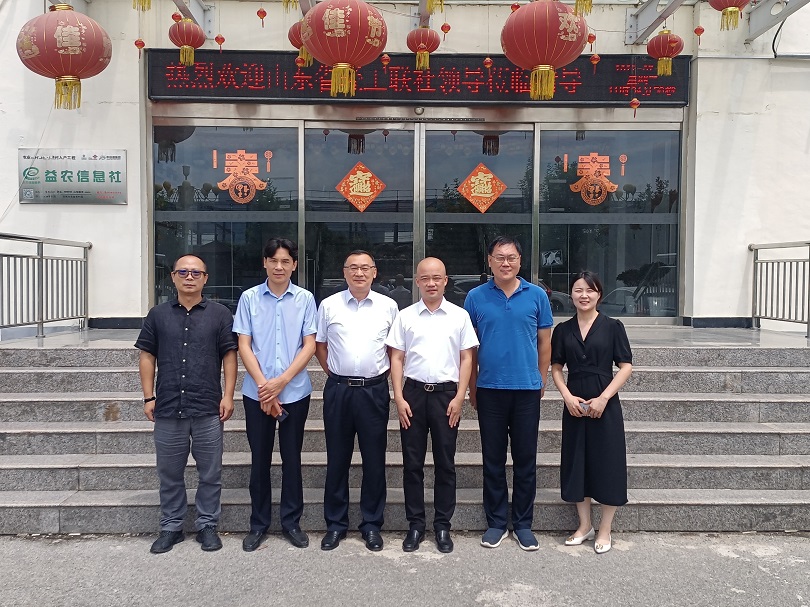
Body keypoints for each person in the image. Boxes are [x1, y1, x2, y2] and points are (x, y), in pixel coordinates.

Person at [135, 254, 237, 554]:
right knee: (169, 473)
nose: (189, 277)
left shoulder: (220, 314)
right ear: (173, 277)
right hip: (168, 405)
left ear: (205, 278)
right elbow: (147, 355)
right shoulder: (158, 314)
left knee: (210, 473)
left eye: (195, 273)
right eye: (183, 272)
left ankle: (207, 525)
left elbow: (229, 355)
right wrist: (148, 396)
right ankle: (171, 526)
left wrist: (228, 395)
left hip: (207, 406)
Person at [463, 236, 553, 551]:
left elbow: (545, 343)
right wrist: (472, 386)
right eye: (499, 257)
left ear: (520, 261)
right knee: (493, 459)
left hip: (526, 389)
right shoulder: (475, 297)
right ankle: (497, 522)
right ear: (489, 261)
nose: (505, 263)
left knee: (526, 459)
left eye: (511, 257)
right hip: (490, 389)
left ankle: (523, 524)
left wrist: (541, 380)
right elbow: (469, 348)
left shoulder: (537, 295)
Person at [386, 257, 479, 553]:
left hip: (446, 396)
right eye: (425, 278)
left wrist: (460, 396)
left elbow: (467, 358)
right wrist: (398, 397)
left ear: (445, 281)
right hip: (412, 394)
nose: (431, 283)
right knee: (412, 464)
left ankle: (442, 526)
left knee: (445, 464)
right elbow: (396, 358)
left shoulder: (459, 316)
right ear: (417, 282)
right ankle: (415, 524)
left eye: (436, 277)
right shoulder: (405, 316)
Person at [233, 238, 317, 552]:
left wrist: (280, 382)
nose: (279, 267)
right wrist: (264, 387)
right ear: (265, 263)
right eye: (273, 261)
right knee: (260, 460)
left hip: (294, 391)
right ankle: (259, 524)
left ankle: (291, 522)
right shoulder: (249, 298)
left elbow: (309, 345)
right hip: (257, 394)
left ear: (294, 265)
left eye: (285, 261)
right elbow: (244, 344)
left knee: (292, 458)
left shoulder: (306, 299)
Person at [315, 250, 399, 551]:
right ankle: (335, 524)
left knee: (374, 460)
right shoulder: (329, 305)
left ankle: (372, 524)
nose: (359, 273)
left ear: (374, 272)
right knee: (337, 458)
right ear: (344, 272)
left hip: (373, 391)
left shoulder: (389, 306)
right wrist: (336, 374)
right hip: (338, 390)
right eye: (353, 268)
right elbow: (320, 346)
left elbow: (394, 350)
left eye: (365, 268)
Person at [550, 271, 633, 555]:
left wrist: (604, 398)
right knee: (578, 462)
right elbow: (556, 367)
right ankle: (584, 525)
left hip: (605, 402)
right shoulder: (563, 330)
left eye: (590, 290)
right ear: (571, 294)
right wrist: (566, 396)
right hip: (574, 403)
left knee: (608, 462)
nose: (583, 295)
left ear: (599, 294)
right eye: (578, 290)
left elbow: (625, 366)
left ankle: (605, 529)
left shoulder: (613, 327)